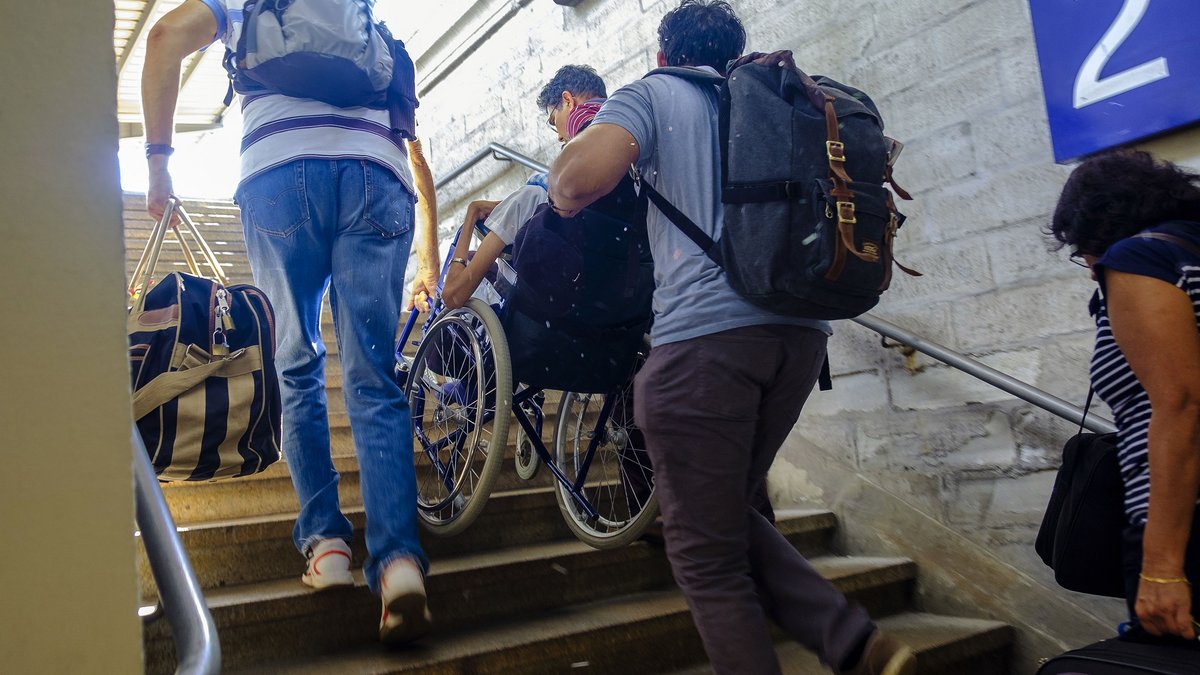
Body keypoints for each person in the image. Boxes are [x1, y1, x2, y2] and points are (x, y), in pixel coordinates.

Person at [547, 2, 916, 673]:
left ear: (664, 55)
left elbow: (572, 186)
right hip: (799, 340)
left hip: (704, 346)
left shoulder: (654, 93)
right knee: (725, 517)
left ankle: (853, 642)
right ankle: (856, 644)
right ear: (732, 53)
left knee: (703, 550)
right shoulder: (776, 104)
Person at [141, 0, 438, 644]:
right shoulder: (365, 21)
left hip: (279, 175)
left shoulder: (246, 4)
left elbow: (163, 37)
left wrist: (159, 162)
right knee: (373, 376)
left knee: (295, 363)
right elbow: (407, 125)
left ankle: (327, 546)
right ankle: (400, 566)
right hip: (375, 177)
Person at [1049, 149, 1200, 643]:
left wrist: (1160, 567)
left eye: (1080, 250)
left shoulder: (1141, 258)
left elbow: (1181, 406)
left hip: (1180, 523)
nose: (1089, 267)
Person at [441, 64, 608, 308]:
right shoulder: (622, 176)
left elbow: (452, 296)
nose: (559, 136)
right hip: (601, 300)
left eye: (554, 120)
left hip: (533, 316)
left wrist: (472, 212)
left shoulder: (532, 197)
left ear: (568, 101)